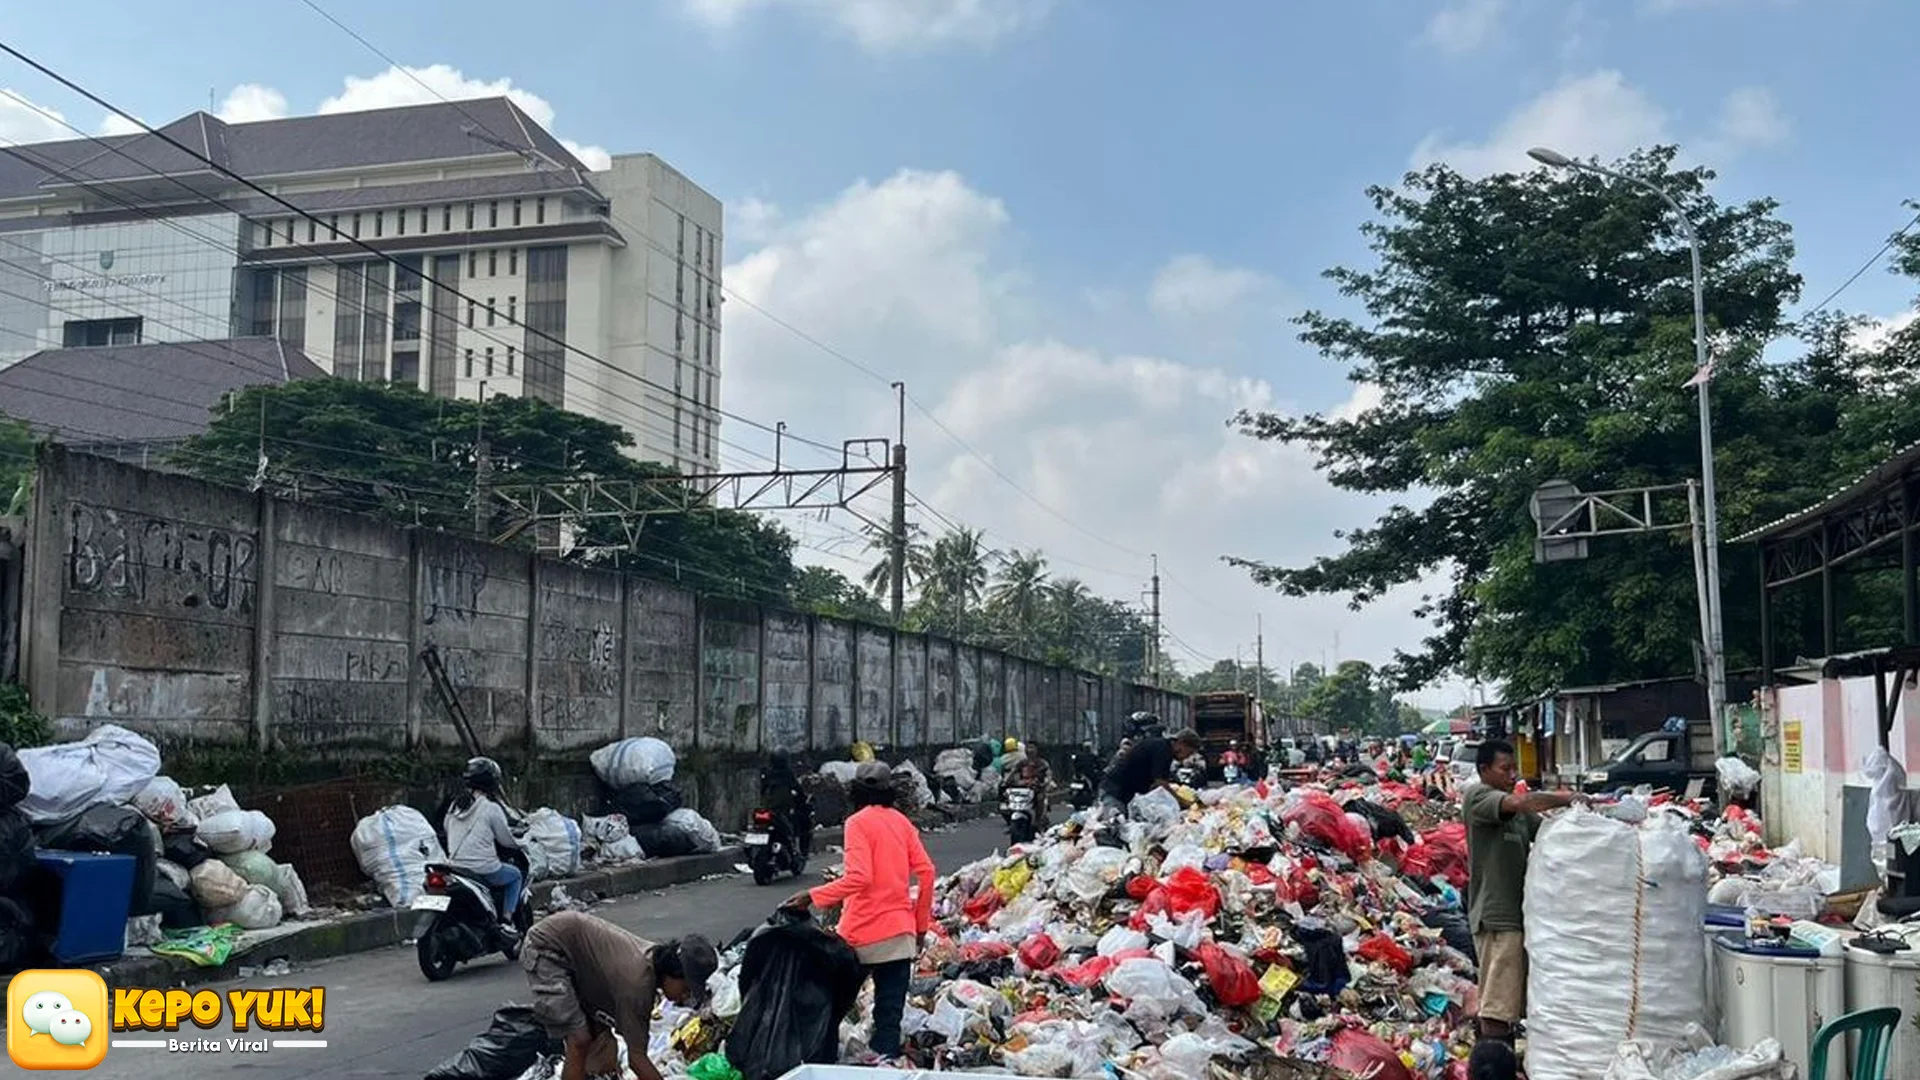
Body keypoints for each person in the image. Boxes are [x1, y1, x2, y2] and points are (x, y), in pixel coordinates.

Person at [785, 761, 935, 1063]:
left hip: (861, 935)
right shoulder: (902, 822)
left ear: (855, 791)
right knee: (889, 1016)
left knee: (831, 1007)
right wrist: (919, 927)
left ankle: (822, 1065)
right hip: (900, 934)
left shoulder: (857, 823)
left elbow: (859, 878)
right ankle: (883, 1066)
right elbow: (927, 873)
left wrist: (812, 896)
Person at [1465, 738, 1581, 1045]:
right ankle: (1493, 1060)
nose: (1512, 774)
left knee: (1512, 1000)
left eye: (1514, 768)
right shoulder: (1479, 797)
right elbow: (1520, 803)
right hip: (1497, 916)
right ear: (1484, 770)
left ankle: (1503, 1054)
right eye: (1505, 768)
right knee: (1498, 1003)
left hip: (1520, 916)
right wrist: (1567, 797)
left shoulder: (1516, 812)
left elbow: (1547, 832)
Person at [520, 909, 717, 1080]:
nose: (685, 996)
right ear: (673, 974)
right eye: (686, 988)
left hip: (581, 960)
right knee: (579, 1040)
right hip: (549, 949)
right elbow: (637, 1060)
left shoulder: (652, 961)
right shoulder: (637, 986)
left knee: (603, 1047)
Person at [443, 757, 525, 933]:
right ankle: (507, 920)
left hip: (455, 867)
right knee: (516, 875)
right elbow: (505, 840)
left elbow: (446, 828)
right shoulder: (491, 808)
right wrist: (521, 844)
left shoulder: (454, 806)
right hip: (484, 869)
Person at [1099, 728, 1203, 812]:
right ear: (1181, 744)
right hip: (1115, 791)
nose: (1186, 758)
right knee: (1112, 827)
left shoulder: (1162, 746)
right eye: (1189, 753)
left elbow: (1155, 783)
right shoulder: (1163, 751)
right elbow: (1160, 784)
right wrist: (1182, 802)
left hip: (1125, 794)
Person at [758, 749, 812, 857]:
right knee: (804, 821)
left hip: (768, 810)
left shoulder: (767, 773)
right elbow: (799, 792)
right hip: (781, 812)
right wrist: (804, 801)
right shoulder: (787, 775)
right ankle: (802, 852)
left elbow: (762, 792)